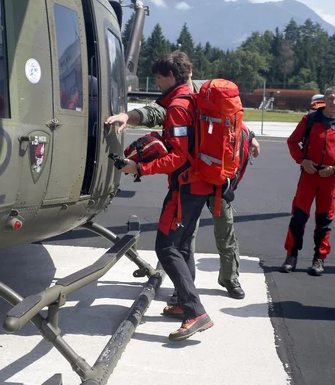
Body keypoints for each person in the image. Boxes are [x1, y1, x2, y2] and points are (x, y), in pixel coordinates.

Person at [105, 72, 260, 301]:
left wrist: (251, 135)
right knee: (188, 236)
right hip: (196, 176)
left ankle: (229, 276)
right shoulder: (178, 96)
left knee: (224, 228)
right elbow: (155, 111)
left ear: (186, 73)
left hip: (216, 173)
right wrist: (129, 115)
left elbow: (228, 120)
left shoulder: (208, 91)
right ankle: (184, 290)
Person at [117, 51, 214, 341]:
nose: (157, 83)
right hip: (200, 184)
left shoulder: (178, 108)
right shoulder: (192, 98)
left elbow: (177, 157)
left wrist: (139, 167)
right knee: (182, 245)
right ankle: (181, 304)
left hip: (186, 186)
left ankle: (195, 312)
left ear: (171, 76)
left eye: (159, 78)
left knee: (166, 246)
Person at [280, 86, 335, 275]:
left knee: (324, 221)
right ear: (324, 99)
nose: (333, 102)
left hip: (329, 179)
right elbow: (292, 142)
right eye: (330, 98)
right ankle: (291, 256)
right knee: (298, 217)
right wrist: (302, 161)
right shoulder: (310, 119)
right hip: (308, 176)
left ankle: (319, 259)